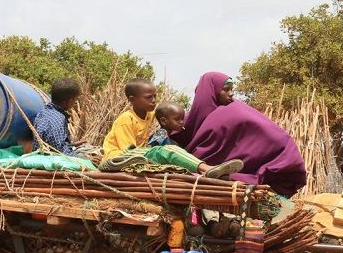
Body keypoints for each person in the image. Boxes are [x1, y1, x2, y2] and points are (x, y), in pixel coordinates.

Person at [170, 72, 307, 197]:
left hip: (278, 158)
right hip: (284, 158)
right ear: (210, 92)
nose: (231, 94)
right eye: (226, 89)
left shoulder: (228, 112)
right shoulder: (189, 119)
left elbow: (206, 151)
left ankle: (222, 175)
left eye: (232, 89)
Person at [100, 79, 242, 178]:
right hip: (117, 158)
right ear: (132, 100)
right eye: (149, 98)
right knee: (167, 150)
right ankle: (207, 169)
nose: (154, 100)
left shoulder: (149, 115)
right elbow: (128, 150)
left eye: (155, 96)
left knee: (171, 155)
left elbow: (170, 117)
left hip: (135, 156)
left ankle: (204, 170)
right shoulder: (126, 119)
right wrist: (157, 152)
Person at [34, 78, 81, 156]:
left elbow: (52, 143)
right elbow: (60, 152)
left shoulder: (44, 112)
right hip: (51, 159)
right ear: (69, 101)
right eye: (75, 100)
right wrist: (86, 160)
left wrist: (72, 145)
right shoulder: (58, 119)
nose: (74, 103)